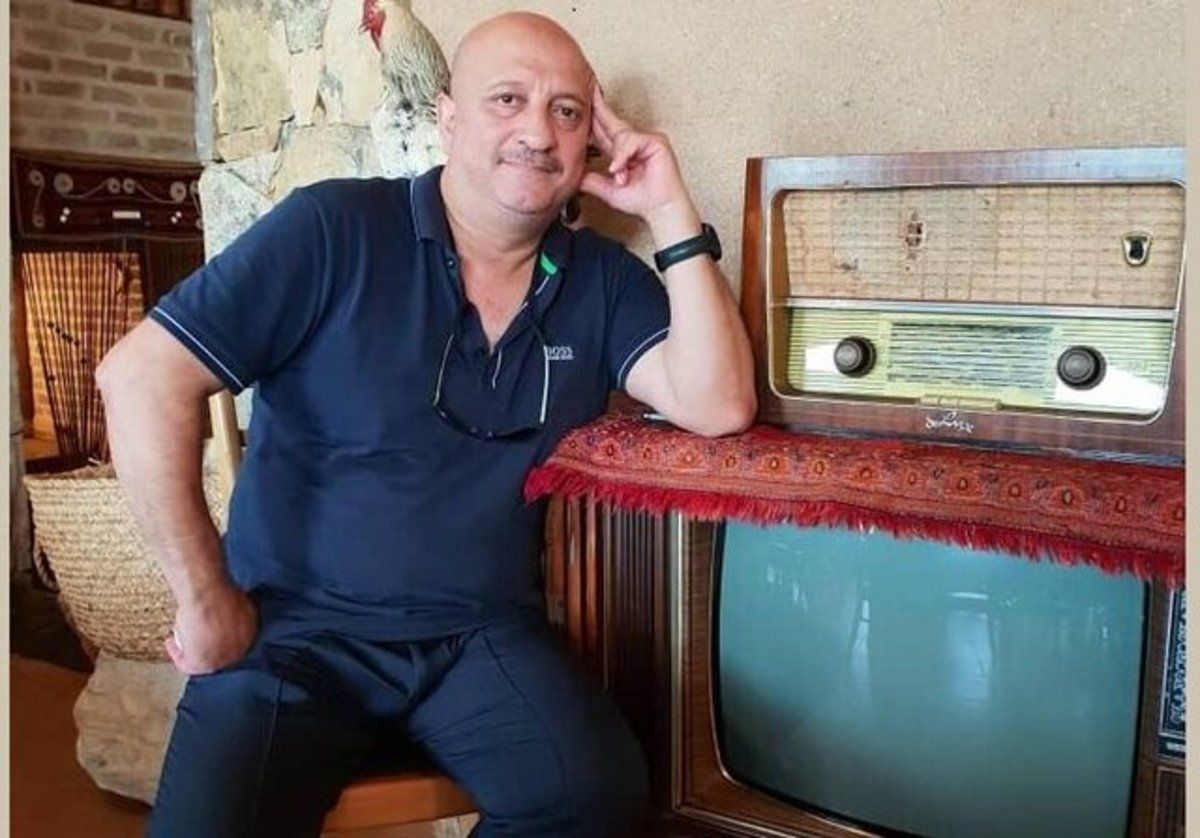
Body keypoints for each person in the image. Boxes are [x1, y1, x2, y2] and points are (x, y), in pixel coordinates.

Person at [98, 11, 754, 837]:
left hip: (481, 636)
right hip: (292, 633)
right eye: (507, 99)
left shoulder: (600, 280)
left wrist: (667, 209)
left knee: (598, 796)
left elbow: (719, 405)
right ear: (447, 117)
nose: (537, 132)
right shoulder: (332, 228)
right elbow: (139, 377)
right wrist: (203, 600)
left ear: (590, 140)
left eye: (566, 111)